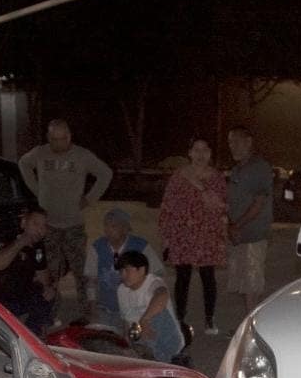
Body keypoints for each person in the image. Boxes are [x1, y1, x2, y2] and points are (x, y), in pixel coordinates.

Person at [18, 119, 113, 323]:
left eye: (62, 139)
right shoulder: (40, 153)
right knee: (49, 273)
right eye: (54, 139)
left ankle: (87, 314)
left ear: (69, 136)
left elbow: (105, 173)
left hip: (73, 225)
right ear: (48, 138)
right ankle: (49, 311)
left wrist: (89, 198)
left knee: (81, 272)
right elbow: (23, 164)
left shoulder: (81, 156)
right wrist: (38, 190)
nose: (59, 143)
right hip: (49, 226)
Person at [159, 138, 228, 335]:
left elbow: (221, 204)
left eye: (205, 150)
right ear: (189, 153)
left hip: (207, 233)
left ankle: (209, 319)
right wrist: (166, 235)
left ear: (210, 153)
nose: (200, 155)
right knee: (182, 277)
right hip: (183, 233)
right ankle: (179, 319)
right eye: (196, 150)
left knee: (208, 276)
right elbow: (168, 205)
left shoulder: (216, 177)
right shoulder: (179, 176)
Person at [0, 206, 56, 335]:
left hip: (19, 297)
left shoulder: (38, 247)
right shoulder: (8, 237)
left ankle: (32, 334)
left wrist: (48, 287)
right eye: (35, 224)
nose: (40, 230)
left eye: (44, 226)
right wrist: (20, 242)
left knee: (50, 295)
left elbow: (43, 275)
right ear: (23, 223)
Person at [83, 207, 163, 325]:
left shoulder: (141, 246)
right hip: (105, 308)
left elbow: (157, 275)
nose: (108, 230)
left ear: (125, 229)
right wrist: (92, 304)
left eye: (113, 226)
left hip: (135, 309)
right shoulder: (98, 247)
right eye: (106, 226)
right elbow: (91, 279)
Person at [226, 126, 274, 314]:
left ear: (248, 141)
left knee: (252, 285)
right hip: (238, 234)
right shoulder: (237, 169)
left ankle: (251, 327)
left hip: (253, 234)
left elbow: (259, 202)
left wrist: (237, 225)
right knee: (242, 282)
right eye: (230, 142)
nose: (233, 147)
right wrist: (231, 226)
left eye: (237, 141)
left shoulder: (259, 167)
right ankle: (247, 324)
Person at [116, 250, 183, 364]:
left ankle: (157, 359)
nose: (123, 275)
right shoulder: (122, 290)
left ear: (141, 270)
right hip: (143, 338)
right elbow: (126, 322)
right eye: (121, 271)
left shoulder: (153, 282)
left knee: (157, 314)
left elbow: (162, 295)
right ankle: (145, 356)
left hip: (167, 340)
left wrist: (145, 319)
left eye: (127, 270)